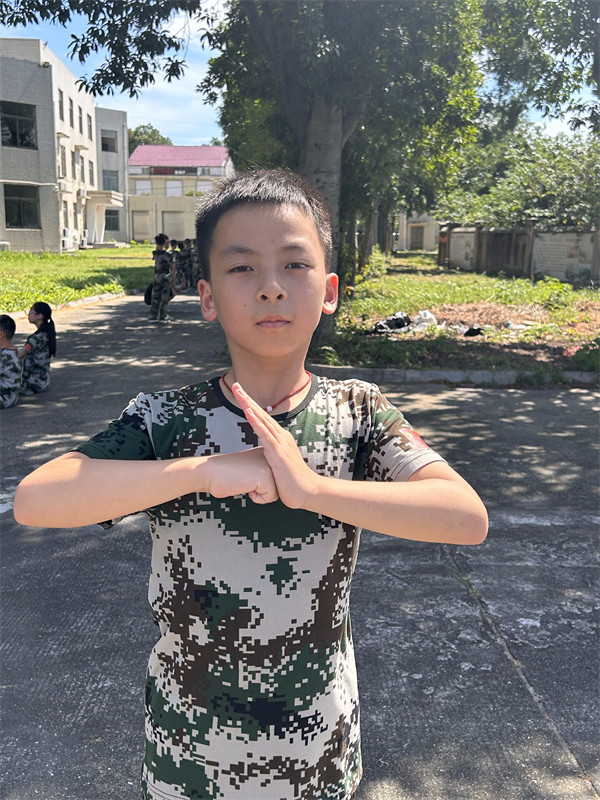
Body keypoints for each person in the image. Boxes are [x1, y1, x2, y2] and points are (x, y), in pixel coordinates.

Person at [14, 169, 488, 800]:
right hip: (189, 759)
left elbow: (463, 516)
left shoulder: (360, 411)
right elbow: (37, 500)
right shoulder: (164, 418)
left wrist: (311, 489)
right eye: (242, 268)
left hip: (320, 756)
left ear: (329, 291)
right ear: (207, 297)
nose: (270, 287)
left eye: (295, 264)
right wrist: (203, 470)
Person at [18, 301, 56, 395]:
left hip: (33, 382)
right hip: (43, 380)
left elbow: (21, 354)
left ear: (39, 316)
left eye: (31, 312)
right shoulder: (47, 333)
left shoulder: (36, 338)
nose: (28, 315)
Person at [149, 233, 175, 322]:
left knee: (155, 296)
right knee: (164, 297)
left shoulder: (155, 254)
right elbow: (173, 267)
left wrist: (158, 244)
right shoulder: (169, 255)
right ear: (165, 242)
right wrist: (174, 278)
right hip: (166, 277)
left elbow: (157, 249)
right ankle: (163, 316)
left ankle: (153, 315)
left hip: (157, 276)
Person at [0, 314, 22, 408]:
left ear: (1, 334)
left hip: (3, 398)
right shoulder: (14, 352)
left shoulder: (4, 356)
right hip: (12, 397)